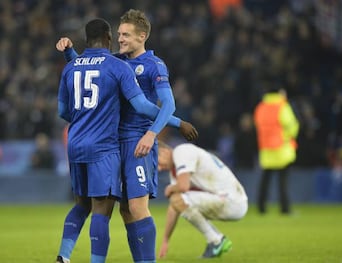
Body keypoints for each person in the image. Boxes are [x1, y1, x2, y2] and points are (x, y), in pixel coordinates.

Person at [56, 9, 198, 263]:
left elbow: (166, 104)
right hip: (109, 144)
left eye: (126, 35)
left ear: (142, 36)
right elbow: (87, 69)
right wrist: (69, 52)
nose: (120, 39)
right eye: (118, 34)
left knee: (136, 207)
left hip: (136, 142)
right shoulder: (116, 61)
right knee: (123, 210)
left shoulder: (154, 65)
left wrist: (153, 133)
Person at [157, 141, 248, 259]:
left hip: (232, 200)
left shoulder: (181, 151)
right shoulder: (176, 170)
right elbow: (174, 206)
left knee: (177, 198)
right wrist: (165, 240)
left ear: (164, 152)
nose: (159, 168)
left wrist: (170, 189)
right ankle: (216, 240)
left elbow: (183, 186)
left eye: (157, 161)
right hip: (232, 201)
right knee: (177, 200)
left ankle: (216, 240)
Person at [253, 86, 299, 214]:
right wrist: (288, 137)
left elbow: (258, 125)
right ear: (279, 92)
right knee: (283, 180)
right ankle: (285, 208)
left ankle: (261, 207)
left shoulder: (260, 107)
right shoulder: (283, 106)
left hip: (266, 149)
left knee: (265, 180)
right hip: (282, 148)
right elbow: (291, 125)